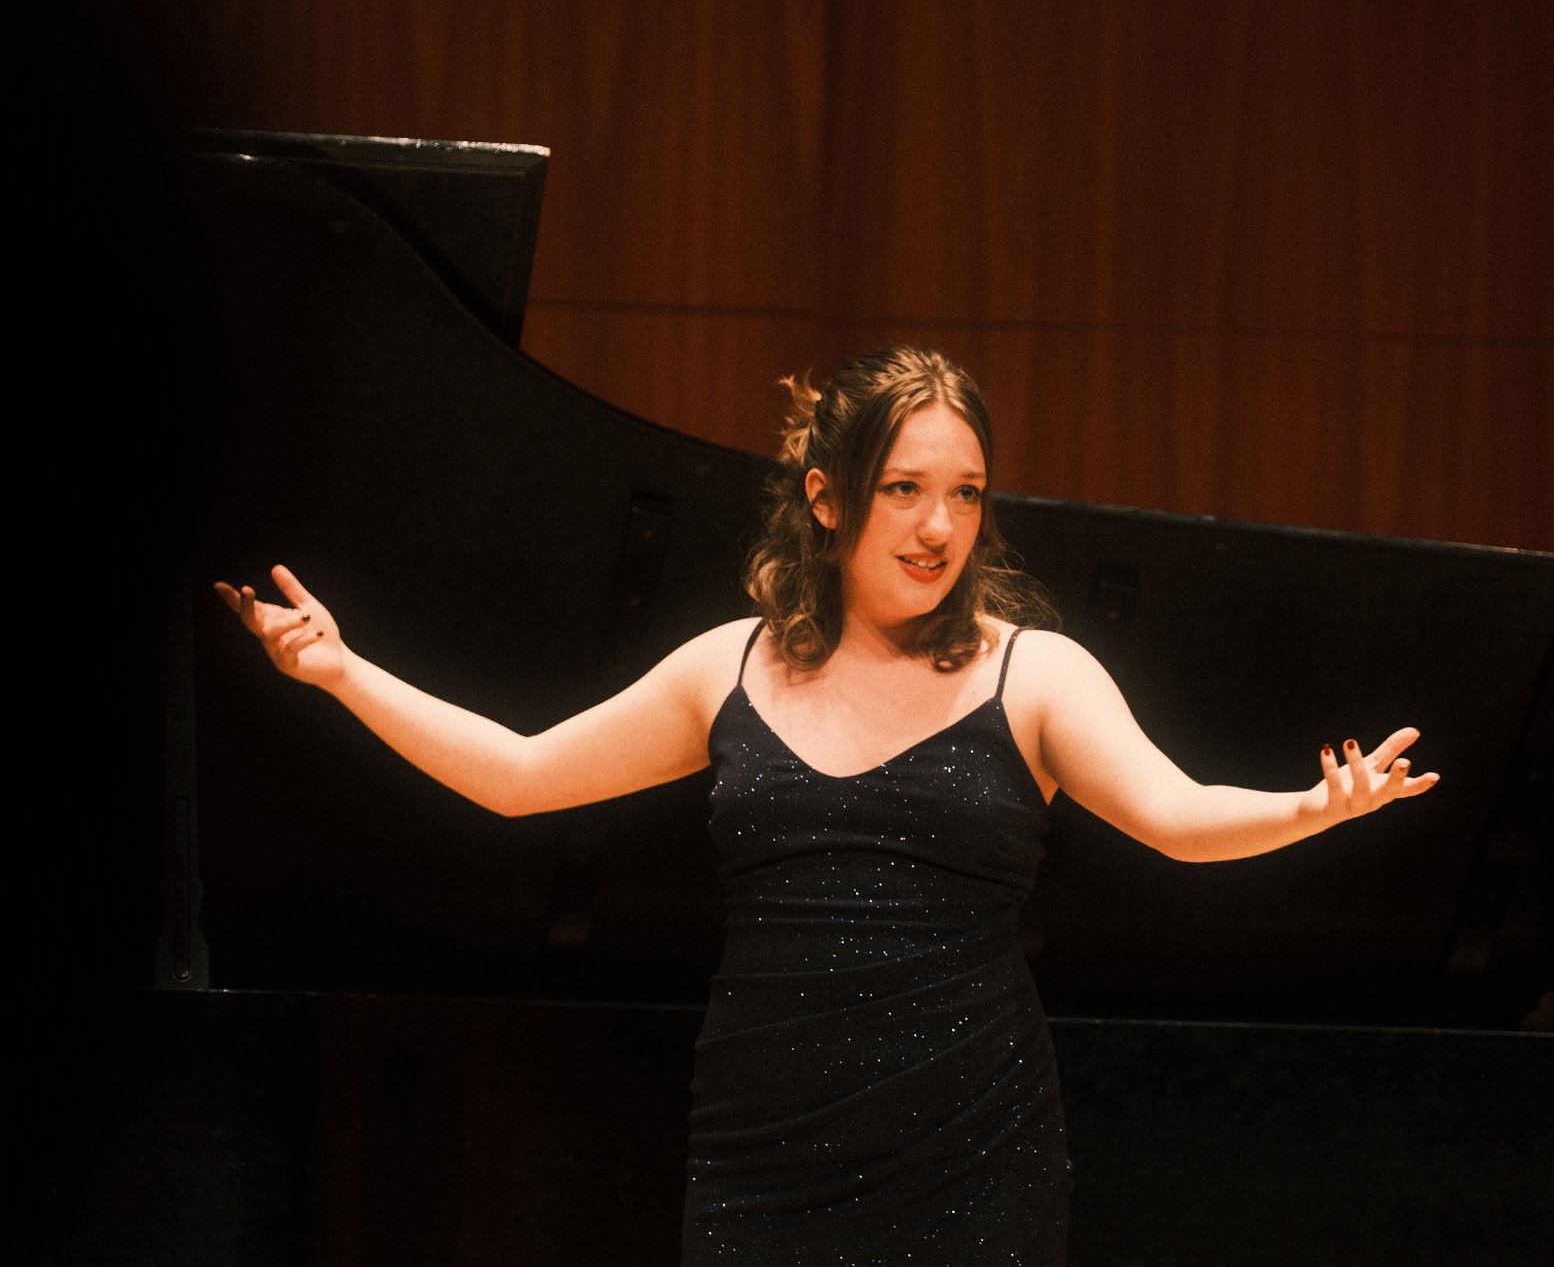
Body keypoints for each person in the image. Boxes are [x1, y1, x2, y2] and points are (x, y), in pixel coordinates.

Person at [215, 346, 1439, 1265]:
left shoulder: (1035, 674)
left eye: (965, 493)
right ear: (825, 497)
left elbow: (1174, 815)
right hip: (763, 1151)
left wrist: (1306, 810)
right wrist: (337, 671)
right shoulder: (728, 669)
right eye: (905, 489)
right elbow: (522, 773)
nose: (940, 525)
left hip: (970, 1154)